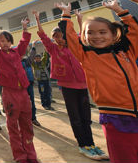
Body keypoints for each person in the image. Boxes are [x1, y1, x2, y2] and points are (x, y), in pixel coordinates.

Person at [57, 0, 138, 163]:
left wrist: (118, 9)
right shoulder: (87, 56)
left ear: (114, 34)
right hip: (117, 118)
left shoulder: (127, 52)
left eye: (102, 32)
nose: (96, 36)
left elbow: (134, 31)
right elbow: (69, 36)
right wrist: (66, 14)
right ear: (83, 37)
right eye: (89, 33)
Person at [33, 10, 107, 160]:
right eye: (55, 38)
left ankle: (91, 144)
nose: (58, 40)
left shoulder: (75, 46)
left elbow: (80, 35)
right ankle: (83, 145)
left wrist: (79, 20)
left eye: (60, 37)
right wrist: (38, 20)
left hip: (82, 85)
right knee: (76, 117)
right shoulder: (53, 49)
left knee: (86, 117)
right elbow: (43, 36)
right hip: (68, 87)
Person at [0, 16, 39, 163]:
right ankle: (20, 156)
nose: (4, 43)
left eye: (7, 41)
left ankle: (31, 154)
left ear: (11, 42)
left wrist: (24, 28)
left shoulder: (17, 53)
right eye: (1, 41)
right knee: (12, 126)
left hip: (24, 93)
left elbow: (24, 42)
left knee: (27, 125)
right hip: (9, 94)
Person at [21, 52, 40, 127]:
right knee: (23, 103)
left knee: (32, 102)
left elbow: (32, 55)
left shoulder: (27, 61)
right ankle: (24, 120)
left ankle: (33, 118)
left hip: (29, 84)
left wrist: (33, 47)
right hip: (22, 86)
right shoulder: (17, 62)